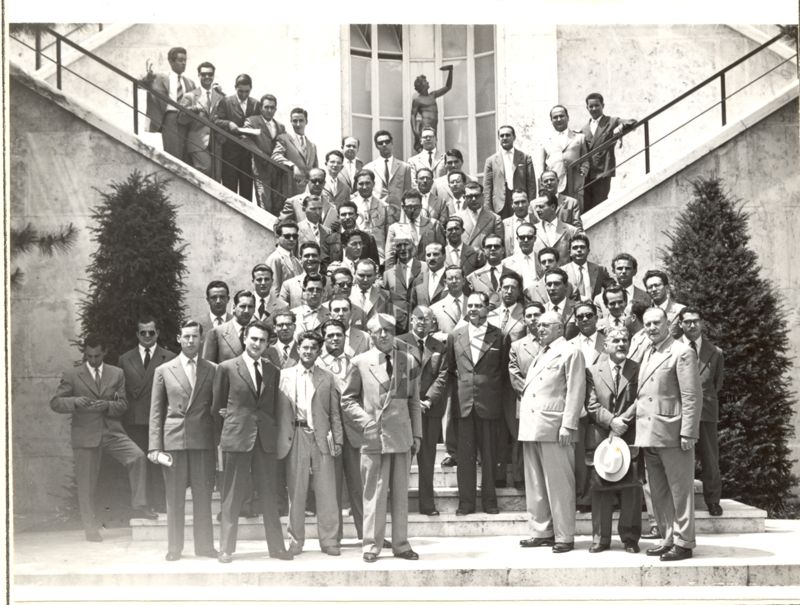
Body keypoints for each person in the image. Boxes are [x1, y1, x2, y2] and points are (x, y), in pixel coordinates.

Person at [50, 334, 153, 542]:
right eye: (89, 356)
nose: (93, 360)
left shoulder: (117, 374)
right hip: (85, 434)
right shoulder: (72, 374)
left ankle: (139, 506)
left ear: (104, 352)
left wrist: (107, 405)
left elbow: (123, 405)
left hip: (111, 431)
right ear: (85, 353)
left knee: (138, 457)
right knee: (86, 483)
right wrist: (75, 401)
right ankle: (90, 528)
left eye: (97, 355)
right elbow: (55, 403)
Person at [621, 307, 701, 562]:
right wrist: (626, 417)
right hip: (649, 432)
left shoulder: (682, 352)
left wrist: (688, 432)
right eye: (647, 324)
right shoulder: (647, 351)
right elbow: (642, 394)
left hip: (673, 431)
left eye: (657, 323)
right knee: (659, 492)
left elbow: (691, 396)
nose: (652, 328)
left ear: (668, 323)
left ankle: (684, 542)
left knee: (680, 490)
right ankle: (668, 538)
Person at [341, 313, 422, 562]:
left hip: (401, 435)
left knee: (400, 493)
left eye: (388, 330)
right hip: (374, 436)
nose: (384, 335)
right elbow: (347, 399)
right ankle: (371, 546)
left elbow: (413, 400)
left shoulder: (406, 360)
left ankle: (401, 544)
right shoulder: (360, 362)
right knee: (374, 494)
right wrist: (366, 421)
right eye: (378, 331)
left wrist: (417, 433)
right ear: (371, 335)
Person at [212, 320, 293, 563]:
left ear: (268, 343)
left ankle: (277, 548)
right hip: (237, 438)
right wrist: (226, 434)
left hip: (264, 440)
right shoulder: (226, 368)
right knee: (233, 494)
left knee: (269, 494)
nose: (257, 344)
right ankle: (226, 548)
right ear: (245, 338)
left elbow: (273, 408)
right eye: (253, 339)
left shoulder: (272, 371)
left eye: (262, 340)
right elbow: (217, 408)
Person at [431, 292, 507, 515]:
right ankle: (466, 503)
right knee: (465, 457)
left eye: (477, 305)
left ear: (486, 309)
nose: (473, 309)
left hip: (489, 403)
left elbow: (502, 372)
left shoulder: (499, 336)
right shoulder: (456, 335)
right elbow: (451, 369)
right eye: (470, 305)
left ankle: (490, 502)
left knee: (489, 455)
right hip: (463, 403)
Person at [148, 320, 218, 561]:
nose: (190, 341)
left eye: (195, 337)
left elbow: (216, 408)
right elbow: (156, 412)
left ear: (201, 339)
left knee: (203, 497)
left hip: (202, 442)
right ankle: (174, 548)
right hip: (174, 442)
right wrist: (154, 447)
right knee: (174, 498)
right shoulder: (164, 370)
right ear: (178, 338)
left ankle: (205, 547)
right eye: (186, 336)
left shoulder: (212, 369)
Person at [517, 311, 586, 553]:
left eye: (546, 325)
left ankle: (564, 535)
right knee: (535, 483)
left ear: (560, 328)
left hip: (555, 426)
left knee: (559, 484)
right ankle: (541, 531)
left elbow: (576, 390)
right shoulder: (540, 353)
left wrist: (568, 424)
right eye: (539, 325)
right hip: (533, 426)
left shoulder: (570, 351)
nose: (540, 328)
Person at [276, 330, 343, 556]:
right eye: (304, 347)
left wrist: (338, 439)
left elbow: (334, 412)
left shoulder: (327, 377)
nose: (308, 351)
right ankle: (295, 541)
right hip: (295, 436)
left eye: (313, 348)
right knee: (296, 491)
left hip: (321, 437)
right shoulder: (284, 375)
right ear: (298, 348)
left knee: (326, 491)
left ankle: (329, 540)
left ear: (319, 350)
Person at [584, 327, 642, 553]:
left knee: (631, 490)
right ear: (605, 346)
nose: (621, 344)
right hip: (601, 436)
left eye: (625, 340)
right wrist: (611, 422)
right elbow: (591, 404)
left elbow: (640, 399)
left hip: (630, 433)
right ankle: (600, 538)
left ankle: (630, 538)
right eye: (615, 340)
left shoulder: (638, 369)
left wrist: (622, 421)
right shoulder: (592, 371)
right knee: (600, 488)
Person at [118, 316, 177, 513]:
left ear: (157, 333)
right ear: (137, 334)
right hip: (135, 420)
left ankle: (161, 503)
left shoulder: (169, 357)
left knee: (159, 462)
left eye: (151, 332)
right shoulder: (125, 359)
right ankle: (143, 505)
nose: (147, 336)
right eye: (143, 332)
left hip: (159, 419)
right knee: (141, 462)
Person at [396, 306, 448, 516]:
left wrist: (427, 401)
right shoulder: (398, 342)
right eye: (418, 318)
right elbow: (397, 375)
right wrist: (412, 402)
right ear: (411, 321)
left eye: (427, 319)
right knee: (403, 461)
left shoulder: (439, 346)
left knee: (427, 460)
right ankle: (399, 505)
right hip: (405, 411)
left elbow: (443, 375)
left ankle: (427, 504)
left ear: (433, 323)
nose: (422, 322)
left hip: (428, 410)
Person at [316, 318, 364, 542]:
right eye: (330, 335)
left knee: (359, 486)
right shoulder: (316, 365)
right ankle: (333, 536)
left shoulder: (356, 363)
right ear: (323, 338)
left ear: (345, 337)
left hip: (354, 433)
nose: (335, 339)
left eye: (339, 335)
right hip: (328, 434)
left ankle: (368, 534)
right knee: (331, 487)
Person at [679, 307, 725, 517]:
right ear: (680, 324)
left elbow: (717, 384)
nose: (692, 325)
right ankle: (680, 501)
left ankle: (713, 500)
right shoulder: (673, 349)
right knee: (680, 458)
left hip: (706, 410)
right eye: (687, 321)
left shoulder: (715, 352)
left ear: (702, 323)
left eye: (695, 321)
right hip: (679, 412)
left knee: (710, 458)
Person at [507, 302, 545, 489]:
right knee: (524, 441)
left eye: (536, 315)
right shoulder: (517, 346)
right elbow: (514, 375)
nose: (533, 319)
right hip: (526, 400)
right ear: (523, 320)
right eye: (528, 316)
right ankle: (522, 479)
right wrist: (532, 393)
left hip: (549, 402)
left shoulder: (553, 342)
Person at [580, 92, 637, 211]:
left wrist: (621, 127)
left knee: (600, 206)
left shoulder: (612, 121)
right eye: (591, 106)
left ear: (603, 106)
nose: (594, 108)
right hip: (587, 174)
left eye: (597, 105)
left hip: (603, 171)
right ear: (587, 108)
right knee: (586, 208)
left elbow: (632, 121)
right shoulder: (584, 129)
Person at [140, 46, 196, 162]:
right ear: (171, 61)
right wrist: (148, 78)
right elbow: (141, 85)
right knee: (174, 154)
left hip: (188, 120)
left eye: (185, 60)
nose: (184, 63)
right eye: (180, 60)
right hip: (171, 118)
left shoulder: (189, 82)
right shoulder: (160, 77)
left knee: (187, 156)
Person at [213, 74, 259, 201]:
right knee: (229, 191)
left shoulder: (255, 104)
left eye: (247, 91)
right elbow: (215, 121)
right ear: (235, 88)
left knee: (246, 192)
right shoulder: (226, 102)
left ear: (251, 89)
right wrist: (228, 124)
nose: (244, 94)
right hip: (230, 153)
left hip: (247, 155)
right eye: (240, 91)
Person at [534, 105, 589, 209]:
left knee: (576, 212)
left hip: (575, 183)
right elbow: (541, 167)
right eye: (555, 117)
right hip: (555, 185)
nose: (558, 119)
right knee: (557, 213)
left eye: (561, 116)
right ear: (551, 120)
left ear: (568, 118)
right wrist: (542, 189)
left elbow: (585, 159)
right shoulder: (546, 140)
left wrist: (584, 170)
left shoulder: (579, 137)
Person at [178, 61, 223, 177]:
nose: (207, 77)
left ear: (213, 75)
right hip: (197, 141)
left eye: (210, 74)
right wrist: (193, 110)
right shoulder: (190, 96)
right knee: (205, 168)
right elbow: (181, 119)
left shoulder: (220, 97)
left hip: (216, 143)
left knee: (216, 177)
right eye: (203, 74)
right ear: (199, 76)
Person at [243, 93, 286, 214]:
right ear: (261, 108)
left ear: (275, 109)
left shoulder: (280, 126)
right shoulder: (252, 121)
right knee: (264, 204)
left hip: (277, 171)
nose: (269, 110)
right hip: (261, 168)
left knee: (278, 205)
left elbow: (285, 144)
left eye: (272, 108)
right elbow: (245, 138)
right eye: (266, 107)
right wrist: (261, 154)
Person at [483, 125, 537, 219]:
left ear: (514, 137)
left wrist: (531, 205)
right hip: (499, 205)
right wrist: (488, 210)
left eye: (508, 135)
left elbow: (531, 184)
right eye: (502, 136)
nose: (504, 138)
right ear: (498, 138)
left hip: (520, 201)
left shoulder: (524, 158)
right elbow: (487, 188)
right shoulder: (491, 161)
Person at [384, 189, 446, 264]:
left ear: (421, 206)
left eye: (416, 207)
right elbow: (390, 257)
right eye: (409, 207)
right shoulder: (394, 228)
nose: (413, 210)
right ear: (403, 207)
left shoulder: (434, 224)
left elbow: (443, 252)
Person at [272, 107, 319, 197]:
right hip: (290, 190)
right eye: (295, 121)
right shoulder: (284, 138)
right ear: (291, 122)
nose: (298, 124)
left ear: (306, 122)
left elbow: (316, 170)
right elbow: (275, 156)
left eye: (301, 120)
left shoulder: (312, 146)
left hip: (309, 193)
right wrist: (293, 166)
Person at [202, 290, 256, 363]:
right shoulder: (216, 333)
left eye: (250, 307)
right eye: (243, 306)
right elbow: (207, 368)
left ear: (254, 309)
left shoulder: (258, 332)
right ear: (234, 307)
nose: (246, 311)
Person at [350, 170, 392, 264]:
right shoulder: (350, 206)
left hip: (379, 256)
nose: (364, 187)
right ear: (356, 185)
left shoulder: (384, 206)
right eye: (361, 184)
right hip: (356, 255)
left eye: (368, 183)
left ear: (373, 184)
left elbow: (389, 236)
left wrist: (388, 259)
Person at [382, 236, 422, 334]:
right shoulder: (388, 274)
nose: (402, 248)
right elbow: (386, 302)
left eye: (406, 244)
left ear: (413, 247)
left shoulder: (424, 268)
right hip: (399, 326)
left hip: (421, 322)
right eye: (399, 245)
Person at [365, 130, 412, 210]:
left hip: (398, 211)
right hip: (377, 211)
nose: (384, 145)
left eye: (387, 142)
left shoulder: (405, 167)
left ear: (392, 143)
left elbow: (408, 192)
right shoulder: (369, 168)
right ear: (376, 146)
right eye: (380, 143)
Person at [532, 193, 580, 270]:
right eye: (536, 207)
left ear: (553, 207)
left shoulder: (571, 230)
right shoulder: (532, 231)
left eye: (541, 207)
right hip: (542, 279)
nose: (537, 210)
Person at [410, 66, 453, 151]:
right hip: (424, 127)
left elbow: (447, 87)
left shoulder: (432, 95)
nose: (428, 82)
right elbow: (412, 116)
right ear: (421, 85)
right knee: (423, 151)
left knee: (432, 152)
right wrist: (415, 132)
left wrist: (450, 71)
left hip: (433, 127)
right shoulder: (417, 100)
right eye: (425, 81)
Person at [593, 252, 649, 318]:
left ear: (635, 271)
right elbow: (598, 324)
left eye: (627, 268)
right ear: (613, 271)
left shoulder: (645, 297)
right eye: (619, 268)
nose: (624, 271)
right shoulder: (599, 299)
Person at [563, 233, 610, 302]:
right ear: (570, 252)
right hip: (571, 310)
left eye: (582, 247)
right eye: (575, 248)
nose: (579, 250)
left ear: (588, 251)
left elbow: (611, 287)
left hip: (594, 310)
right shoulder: (562, 271)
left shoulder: (600, 269)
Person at [457, 181, 503, 248]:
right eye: (470, 196)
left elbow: (499, 246)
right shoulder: (457, 218)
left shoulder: (494, 219)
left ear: (482, 196)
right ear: (464, 198)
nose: (474, 199)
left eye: (477, 196)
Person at [265, 221, 303, 297]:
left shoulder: (295, 260)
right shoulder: (275, 259)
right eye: (287, 236)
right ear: (278, 237)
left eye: (294, 236)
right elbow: (274, 291)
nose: (292, 239)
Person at [643, 269, 686, 338]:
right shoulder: (645, 313)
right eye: (650, 287)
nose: (654, 289)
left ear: (666, 287)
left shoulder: (680, 310)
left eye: (657, 285)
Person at [467, 234, 505, 304]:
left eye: (496, 246)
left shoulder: (512, 274)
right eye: (489, 246)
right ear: (483, 250)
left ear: (503, 250)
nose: (493, 249)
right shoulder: (472, 277)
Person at [501, 222, 539, 291]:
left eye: (529, 237)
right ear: (517, 239)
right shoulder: (506, 263)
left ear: (535, 239)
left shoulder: (542, 260)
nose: (526, 240)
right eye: (522, 237)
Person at [349, 259, 391, 323]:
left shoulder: (385, 296)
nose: (365, 279)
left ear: (375, 275)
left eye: (369, 276)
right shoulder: (347, 294)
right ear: (354, 274)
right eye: (361, 275)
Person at [412, 242, 448, 308]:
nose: (431, 258)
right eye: (428, 255)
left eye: (435, 254)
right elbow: (412, 307)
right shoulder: (418, 280)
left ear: (444, 256)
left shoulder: (452, 277)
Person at [502, 190, 536, 256]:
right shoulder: (504, 224)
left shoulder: (537, 221)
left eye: (523, 202)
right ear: (512, 204)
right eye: (516, 203)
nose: (520, 205)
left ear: (528, 202)